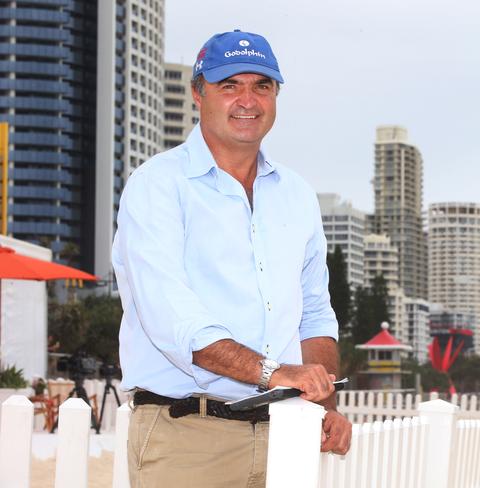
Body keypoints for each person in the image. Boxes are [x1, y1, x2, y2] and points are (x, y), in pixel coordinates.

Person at [112, 29, 352, 488]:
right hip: (189, 436)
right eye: (230, 85)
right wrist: (274, 372)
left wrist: (326, 405)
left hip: (287, 433)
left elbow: (315, 314)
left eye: (262, 85)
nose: (248, 100)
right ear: (198, 94)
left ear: (276, 96)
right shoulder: (159, 185)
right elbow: (173, 319)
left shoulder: (297, 195)